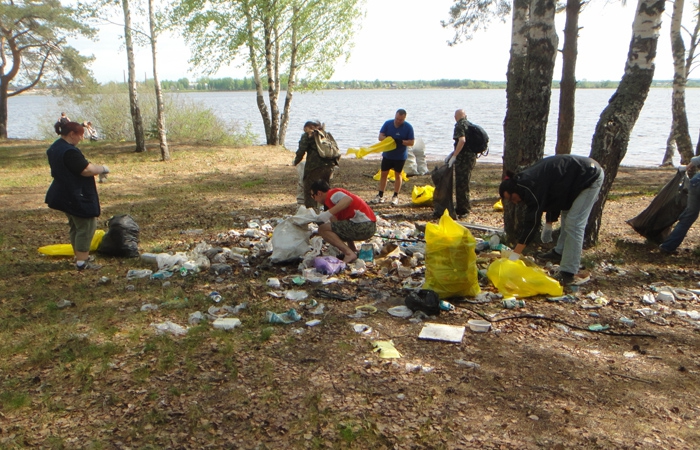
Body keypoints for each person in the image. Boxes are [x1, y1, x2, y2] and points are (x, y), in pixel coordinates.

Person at [498, 154, 604, 286]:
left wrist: (515, 254)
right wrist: (549, 223)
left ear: (514, 189)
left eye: (512, 198)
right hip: (571, 182)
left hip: (589, 176)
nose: (514, 202)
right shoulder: (524, 184)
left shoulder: (531, 187)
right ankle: (559, 252)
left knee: (574, 224)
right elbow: (553, 197)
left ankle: (568, 272)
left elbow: (532, 223)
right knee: (567, 216)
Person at [45, 121, 110, 271]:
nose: (81, 138)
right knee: (86, 226)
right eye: (80, 135)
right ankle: (82, 262)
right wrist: (102, 168)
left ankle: (80, 256)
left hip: (63, 192)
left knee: (75, 226)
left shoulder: (55, 147)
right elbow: (85, 170)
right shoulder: (69, 152)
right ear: (72, 134)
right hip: (75, 194)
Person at [310, 179, 377, 264]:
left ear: (319, 193)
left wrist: (327, 214)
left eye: (313, 196)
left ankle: (349, 253)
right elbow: (340, 225)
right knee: (332, 228)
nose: (314, 199)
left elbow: (348, 200)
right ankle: (352, 250)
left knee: (323, 229)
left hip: (364, 224)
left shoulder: (333, 194)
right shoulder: (331, 204)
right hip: (366, 225)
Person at [370, 109, 415, 206]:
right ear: (395, 116)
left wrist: (401, 141)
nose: (398, 121)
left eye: (401, 120)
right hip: (388, 154)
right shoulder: (388, 123)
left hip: (400, 156)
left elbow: (411, 142)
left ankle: (395, 196)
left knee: (398, 175)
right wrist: (389, 139)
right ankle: (380, 195)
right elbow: (380, 137)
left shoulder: (408, 127)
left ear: (404, 118)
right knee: (384, 174)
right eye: (397, 118)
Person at [659, 157, 700, 254]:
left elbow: (695, 160)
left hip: (696, 182)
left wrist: (686, 167)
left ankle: (668, 246)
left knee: (688, 216)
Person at [294, 120, 337, 209]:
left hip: (314, 167)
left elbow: (301, 150)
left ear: (308, 128)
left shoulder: (308, 135)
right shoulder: (325, 134)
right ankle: (328, 211)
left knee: (310, 190)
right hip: (330, 166)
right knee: (325, 190)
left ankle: (311, 213)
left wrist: (296, 161)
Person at [447, 109, 478, 217]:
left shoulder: (459, 125)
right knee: (465, 182)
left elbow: (462, 141)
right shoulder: (469, 124)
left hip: (463, 159)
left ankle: (463, 209)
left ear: (456, 117)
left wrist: (454, 156)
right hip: (471, 157)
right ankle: (465, 206)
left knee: (461, 183)